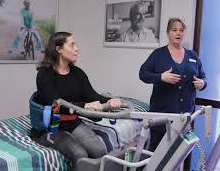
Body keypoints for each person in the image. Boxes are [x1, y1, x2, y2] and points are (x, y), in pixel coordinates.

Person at [31, 32, 121, 170]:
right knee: (80, 154)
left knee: (100, 151)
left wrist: (111, 100)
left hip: (72, 122)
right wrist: (85, 105)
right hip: (51, 128)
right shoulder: (45, 75)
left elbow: (92, 95)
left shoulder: (77, 73)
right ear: (59, 49)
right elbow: (55, 105)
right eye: (72, 44)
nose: (77, 48)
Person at [139, 18, 207, 152]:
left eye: (181, 30)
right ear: (168, 33)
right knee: (157, 155)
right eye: (174, 30)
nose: (178, 33)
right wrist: (160, 77)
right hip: (161, 116)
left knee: (178, 154)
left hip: (185, 117)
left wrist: (203, 83)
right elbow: (143, 74)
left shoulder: (192, 55)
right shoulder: (158, 54)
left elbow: (203, 77)